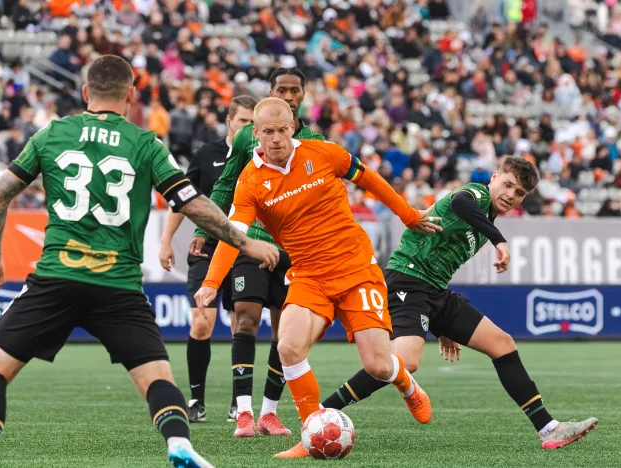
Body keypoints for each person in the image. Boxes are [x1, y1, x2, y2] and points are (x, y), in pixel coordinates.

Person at [0, 55, 279, 468]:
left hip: (58, 275)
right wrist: (244, 242)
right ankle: (180, 445)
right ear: (130, 96)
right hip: (119, 284)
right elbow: (191, 204)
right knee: (157, 378)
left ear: (86, 92)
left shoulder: (54, 132)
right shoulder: (146, 144)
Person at [194, 98, 442, 458]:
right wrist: (211, 283)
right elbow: (234, 235)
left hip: (356, 268)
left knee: (376, 364)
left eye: (282, 130)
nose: (276, 138)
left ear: (292, 127)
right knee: (288, 345)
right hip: (309, 275)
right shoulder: (250, 181)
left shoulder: (324, 153)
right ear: (255, 136)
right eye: (268, 132)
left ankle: (405, 382)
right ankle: (312, 434)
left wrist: (408, 215)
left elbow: (369, 178)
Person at [319, 156, 599, 450]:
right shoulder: (475, 195)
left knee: (502, 343)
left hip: (436, 291)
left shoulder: (486, 217)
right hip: (408, 282)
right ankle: (321, 413)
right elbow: (459, 204)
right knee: (406, 362)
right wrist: (499, 241)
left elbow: (444, 255)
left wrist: (443, 326)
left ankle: (548, 428)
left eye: (519, 193)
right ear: (494, 178)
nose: (510, 195)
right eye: (507, 185)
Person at [190, 68, 325, 437]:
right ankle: (244, 412)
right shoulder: (251, 136)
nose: (290, 95)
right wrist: (205, 230)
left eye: (295, 90)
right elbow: (225, 186)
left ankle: (269, 412)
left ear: (303, 95)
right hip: (251, 242)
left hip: (294, 249)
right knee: (246, 319)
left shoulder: (315, 140)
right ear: (270, 92)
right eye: (282, 89)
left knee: (286, 335)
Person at [157, 95, 257, 424]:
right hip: (207, 248)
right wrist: (167, 240)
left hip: (246, 250)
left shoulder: (262, 155)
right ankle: (196, 400)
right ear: (229, 122)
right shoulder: (207, 154)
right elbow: (183, 200)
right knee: (201, 324)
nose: (249, 128)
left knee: (243, 323)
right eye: (243, 121)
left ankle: (238, 403)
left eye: (253, 122)